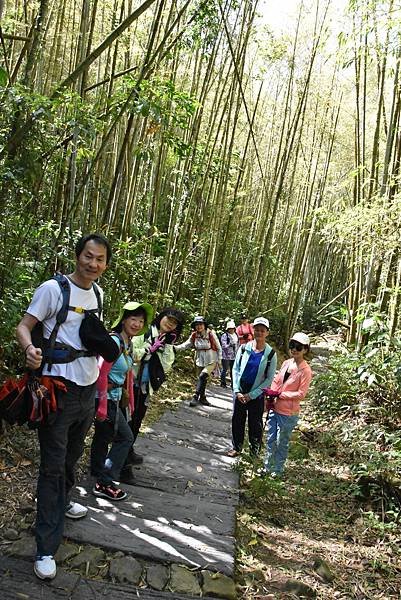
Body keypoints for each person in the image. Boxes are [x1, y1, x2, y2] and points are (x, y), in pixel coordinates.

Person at [16, 233, 112, 580]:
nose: (93, 264)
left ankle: (61, 499)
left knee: (72, 457)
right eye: (88, 256)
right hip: (57, 389)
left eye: (100, 259)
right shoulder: (53, 290)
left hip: (87, 390)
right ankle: (45, 546)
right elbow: (24, 326)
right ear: (77, 256)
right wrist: (29, 349)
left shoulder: (98, 293)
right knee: (53, 467)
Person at [90, 301, 153, 499]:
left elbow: (128, 376)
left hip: (114, 397)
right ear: (124, 319)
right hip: (104, 398)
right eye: (133, 319)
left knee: (102, 437)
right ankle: (104, 482)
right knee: (125, 438)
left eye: (141, 321)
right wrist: (100, 405)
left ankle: (98, 473)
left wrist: (131, 402)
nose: (136, 324)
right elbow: (101, 374)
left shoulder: (127, 343)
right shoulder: (115, 342)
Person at [120, 307, 185, 480]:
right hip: (130, 383)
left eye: (174, 323)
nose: (170, 324)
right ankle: (122, 466)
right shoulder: (145, 331)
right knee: (126, 423)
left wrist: (165, 347)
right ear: (161, 317)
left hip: (145, 387)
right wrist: (150, 349)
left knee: (137, 421)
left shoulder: (167, 340)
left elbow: (166, 365)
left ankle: (128, 452)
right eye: (168, 319)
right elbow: (132, 353)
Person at [261, 332, 312, 478]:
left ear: (305, 349)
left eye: (298, 347)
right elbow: (277, 382)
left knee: (281, 441)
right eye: (292, 346)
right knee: (270, 438)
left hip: (288, 413)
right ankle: (267, 466)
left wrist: (280, 395)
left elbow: (301, 394)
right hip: (275, 408)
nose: (294, 349)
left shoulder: (306, 371)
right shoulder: (286, 363)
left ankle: (277, 470)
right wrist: (270, 395)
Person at [227, 317, 277, 457]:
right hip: (240, 392)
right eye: (257, 329)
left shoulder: (271, 354)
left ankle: (254, 451)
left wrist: (252, 395)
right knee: (237, 420)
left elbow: (269, 379)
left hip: (256, 395)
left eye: (262, 330)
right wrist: (237, 390)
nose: (259, 333)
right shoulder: (244, 348)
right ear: (253, 330)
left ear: (267, 333)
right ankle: (236, 447)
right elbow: (235, 369)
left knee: (255, 423)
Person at [176, 316, 222, 407]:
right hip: (199, 359)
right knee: (202, 379)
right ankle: (203, 397)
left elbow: (219, 347)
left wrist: (219, 360)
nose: (199, 327)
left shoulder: (211, 333)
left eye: (201, 324)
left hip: (211, 359)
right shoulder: (194, 335)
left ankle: (195, 396)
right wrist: (175, 348)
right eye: (197, 325)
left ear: (204, 325)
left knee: (202, 376)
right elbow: (186, 344)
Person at [220, 320, 239, 388]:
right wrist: (230, 345)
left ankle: (233, 384)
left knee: (233, 370)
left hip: (234, 356)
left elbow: (238, 344)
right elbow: (223, 346)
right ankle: (223, 383)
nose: (231, 330)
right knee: (225, 369)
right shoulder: (225, 336)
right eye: (230, 328)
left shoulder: (236, 335)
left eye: (232, 328)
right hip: (226, 356)